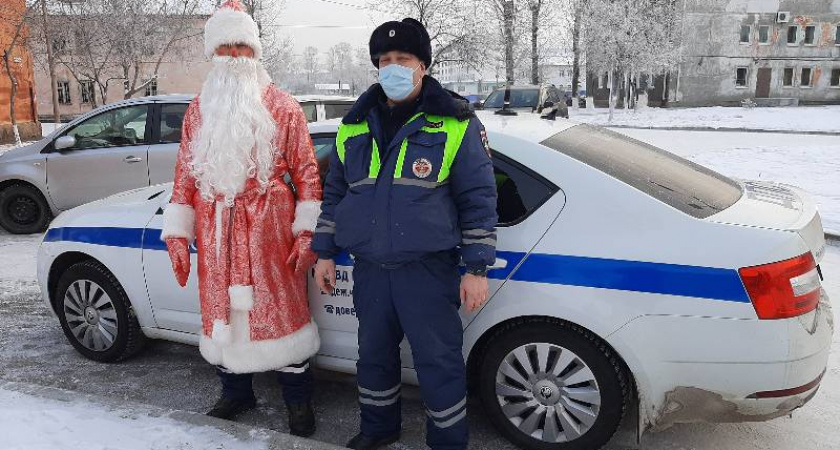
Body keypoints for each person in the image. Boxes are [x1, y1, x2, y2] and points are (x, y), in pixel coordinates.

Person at [311, 18, 498, 450]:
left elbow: (478, 198)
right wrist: (325, 252)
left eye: (404, 59)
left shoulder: (455, 122)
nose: (393, 67)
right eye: (385, 60)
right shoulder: (353, 126)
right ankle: (379, 429)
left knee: (439, 363)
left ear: (423, 66)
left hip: (427, 270)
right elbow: (336, 194)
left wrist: (476, 267)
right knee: (373, 358)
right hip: (371, 269)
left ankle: (447, 442)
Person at [160, 0, 322, 437]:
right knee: (223, 316)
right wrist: (177, 232)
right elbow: (185, 173)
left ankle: (299, 404)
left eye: (241, 47)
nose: (233, 57)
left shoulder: (284, 107)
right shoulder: (199, 108)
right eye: (225, 47)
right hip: (217, 232)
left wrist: (306, 232)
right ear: (213, 53)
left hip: (269, 229)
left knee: (281, 316)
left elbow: (308, 173)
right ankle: (236, 392)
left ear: (255, 52)